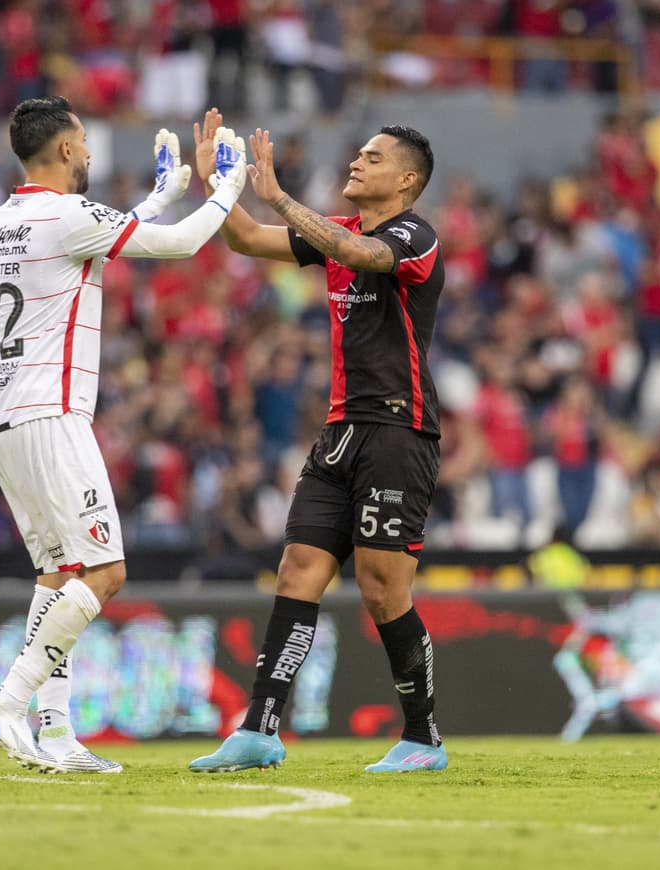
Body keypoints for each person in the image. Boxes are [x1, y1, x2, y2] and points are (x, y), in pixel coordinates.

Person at [0, 96, 248, 774]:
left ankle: (56, 733)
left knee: (58, 574)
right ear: (64, 150)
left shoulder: (2, 220)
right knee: (105, 571)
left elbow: (97, 240)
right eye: (86, 142)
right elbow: (180, 246)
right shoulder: (65, 215)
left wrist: (157, 197)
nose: (91, 154)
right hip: (51, 414)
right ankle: (6, 703)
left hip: (6, 418)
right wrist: (228, 187)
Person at [187, 110, 448, 773]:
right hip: (339, 432)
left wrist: (278, 196)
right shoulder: (337, 232)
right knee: (298, 571)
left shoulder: (414, 234)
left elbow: (361, 255)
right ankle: (259, 730)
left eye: (373, 157)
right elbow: (244, 237)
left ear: (407, 178)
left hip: (398, 430)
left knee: (384, 589)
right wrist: (215, 182)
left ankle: (422, 738)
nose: (356, 162)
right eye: (357, 154)